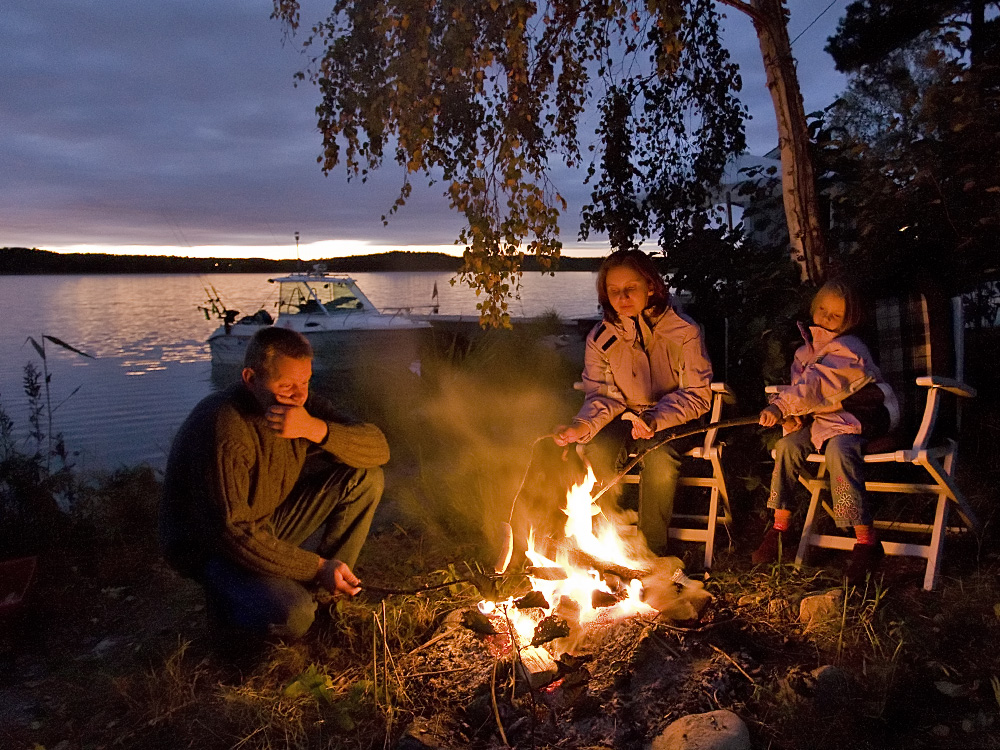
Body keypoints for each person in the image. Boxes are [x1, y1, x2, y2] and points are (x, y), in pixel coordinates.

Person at [159, 327, 389, 642]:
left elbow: (379, 449)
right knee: (294, 615)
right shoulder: (225, 427)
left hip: (262, 525)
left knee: (365, 476)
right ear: (250, 378)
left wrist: (315, 428)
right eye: (286, 385)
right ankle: (229, 616)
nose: (299, 395)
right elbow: (232, 532)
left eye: (305, 382)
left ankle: (329, 595)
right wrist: (317, 565)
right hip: (213, 550)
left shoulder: (300, 409)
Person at [554, 249, 713, 556]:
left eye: (631, 288)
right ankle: (603, 546)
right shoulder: (601, 339)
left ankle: (651, 553)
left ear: (650, 286)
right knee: (597, 449)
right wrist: (580, 426)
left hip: (676, 419)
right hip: (626, 418)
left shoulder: (684, 332)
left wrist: (656, 419)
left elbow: (697, 395)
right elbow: (602, 396)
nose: (622, 297)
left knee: (658, 457)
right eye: (614, 291)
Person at [753, 280, 899, 584]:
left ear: (850, 320)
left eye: (836, 315)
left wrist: (783, 406)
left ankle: (865, 539)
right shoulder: (805, 352)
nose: (826, 317)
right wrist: (791, 419)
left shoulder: (850, 349)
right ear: (813, 307)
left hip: (855, 418)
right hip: (822, 422)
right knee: (788, 446)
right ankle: (781, 525)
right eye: (822, 309)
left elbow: (818, 386)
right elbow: (803, 395)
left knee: (838, 450)